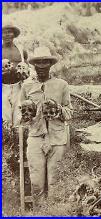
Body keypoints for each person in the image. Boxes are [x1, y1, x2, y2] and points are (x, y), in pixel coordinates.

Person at [20, 46, 73, 210]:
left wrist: (57, 110)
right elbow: (20, 115)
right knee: (36, 182)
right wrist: (28, 114)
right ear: (34, 66)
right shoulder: (26, 87)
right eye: (38, 64)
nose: (42, 67)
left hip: (57, 139)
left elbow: (69, 112)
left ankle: (54, 212)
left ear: (51, 65)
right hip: (36, 138)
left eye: (45, 64)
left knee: (54, 181)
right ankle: (40, 212)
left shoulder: (62, 85)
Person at [2, 24, 29, 127]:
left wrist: (25, 74)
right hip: (3, 87)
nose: (7, 35)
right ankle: (7, 140)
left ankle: (18, 139)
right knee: (4, 117)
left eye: (9, 32)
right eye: (4, 32)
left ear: (14, 34)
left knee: (18, 115)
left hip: (18, 86)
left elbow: (27, 67)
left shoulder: (21, 50)